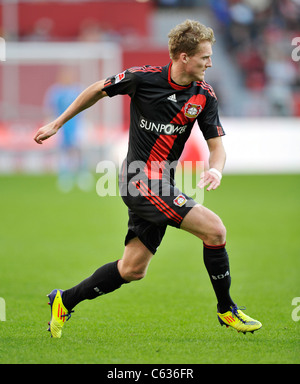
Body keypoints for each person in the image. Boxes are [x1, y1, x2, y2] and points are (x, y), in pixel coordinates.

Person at [34, 20, 262, 338]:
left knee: (132, 269)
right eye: (204, 57)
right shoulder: (143, 78)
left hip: (163, 182)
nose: (210, 63)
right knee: (215, 230)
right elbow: (98, 89)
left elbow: (217, 147)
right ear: (183, 56)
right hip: (138, 177)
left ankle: (64, 301)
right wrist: (57, 124)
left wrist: (215, 168)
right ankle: (227, 310)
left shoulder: (204, 97)